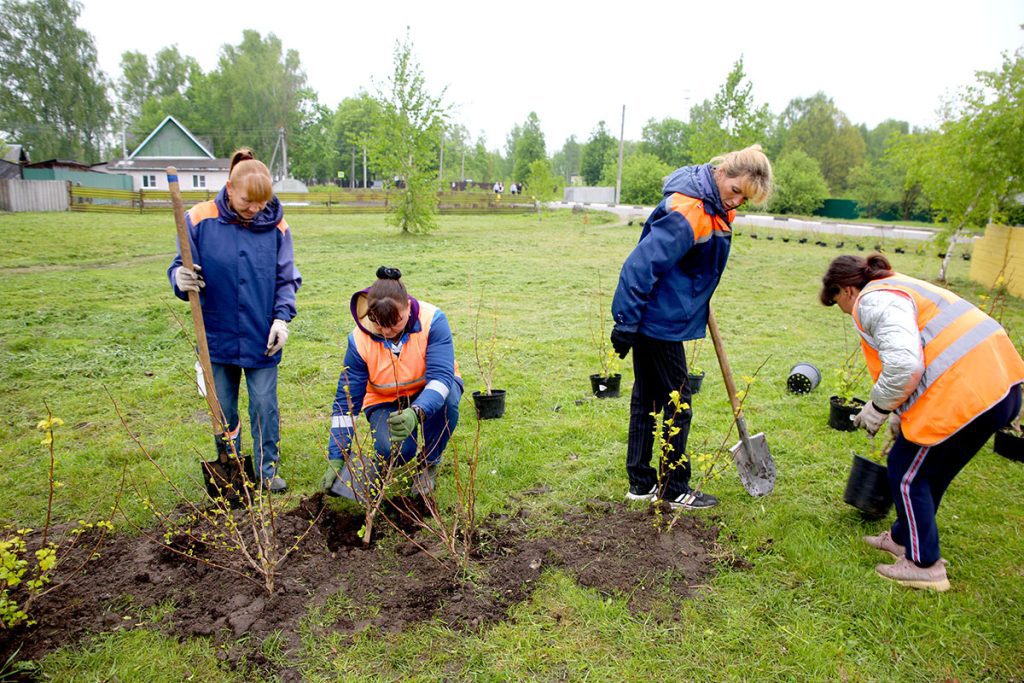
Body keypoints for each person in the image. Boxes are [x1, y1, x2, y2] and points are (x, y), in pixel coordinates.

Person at [821, 253, 1024, 591]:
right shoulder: (896, 285)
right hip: (998, 386)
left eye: (837, 302)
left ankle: (924, 565)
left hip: (965, 391)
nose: (844, 311)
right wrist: (901, 414)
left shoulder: (872, 300)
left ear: (846, 290)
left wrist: (878, 408)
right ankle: (903, 539)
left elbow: (905, 366)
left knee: (906, 472)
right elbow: (927, 354)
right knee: (930, 471)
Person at [610, 145, 773, 510]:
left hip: (660, 312)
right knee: (678, 403)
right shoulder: (691, 210)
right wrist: (625, 321)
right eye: (735, 191)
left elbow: (687, 262)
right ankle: (673, 487)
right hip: (657, 320)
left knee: (647, 399)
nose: (736, 202)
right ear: (722, 172)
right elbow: (641, 266)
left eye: (744, 199)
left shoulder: (713, 207)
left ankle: (640, 483)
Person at [168, 148, 301, 493]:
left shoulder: (277, 227)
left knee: (264, 405)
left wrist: (281, 320)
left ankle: (266, 469)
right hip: (216, 333)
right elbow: (181, 265)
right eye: (247, 202)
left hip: (261, 334)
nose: (255, 209)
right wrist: (179, 278)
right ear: (229, 188)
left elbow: (286, 279)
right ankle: (231, 465)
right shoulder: (199, 219)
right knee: (223, 407)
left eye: (261, 203)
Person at [321, 267, 462, 501]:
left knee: (448, 401)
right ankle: (387, 460)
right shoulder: (358, 340)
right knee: (395, 451)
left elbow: (440, 378)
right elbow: (346, 402)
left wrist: (417, 411)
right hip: (385, 400)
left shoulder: (433, 320)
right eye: (379, 324)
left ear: (408, 307)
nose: (387, 332)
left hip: (429, 391)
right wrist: (337, 455)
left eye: (394, 323)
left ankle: (429, 463)